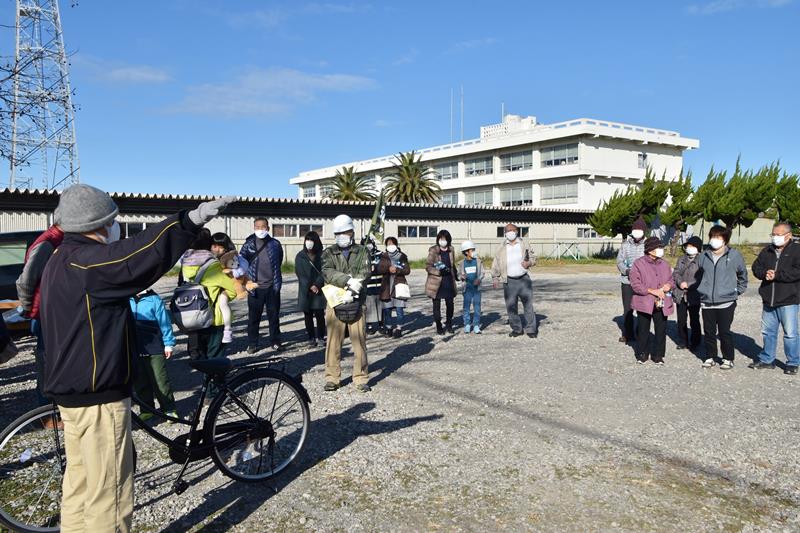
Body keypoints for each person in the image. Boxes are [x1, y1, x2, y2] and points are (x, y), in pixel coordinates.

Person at [39, 183, 233, 532]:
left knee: (80, 487)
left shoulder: (58, 261)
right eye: (112, 220)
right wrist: (188, 221)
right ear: (98, 224)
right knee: (109, 499)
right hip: (98, 396)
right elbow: (138, 256)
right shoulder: (88, 263)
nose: (115, 228)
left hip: (70, 393)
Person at [15, 222, 64, 409]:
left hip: (52, 311)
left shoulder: (57, 239)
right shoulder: (48, 243)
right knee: (47, 361)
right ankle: (45, 410)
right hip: (46, 313)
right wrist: (28, 308)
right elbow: (25, 280)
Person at [321, 214, 371, 392]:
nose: (342, 235)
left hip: (357, 302)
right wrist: (347, 282)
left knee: (359, 342)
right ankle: (332, 377)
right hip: (335, 303)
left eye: (345, 232)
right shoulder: (328, 252)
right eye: (338, 232)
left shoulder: (363, 251)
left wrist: (355, 288)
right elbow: (327, 271)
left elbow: (365, 272)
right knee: (333, 342)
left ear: (352, 231)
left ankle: (360, 377)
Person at [750, 222, 800, 374]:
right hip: (768, 298)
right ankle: (767, 359)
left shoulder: (797, 251)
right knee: (768, 332)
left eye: (778, 235)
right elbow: (755, 267)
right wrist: (764, 273)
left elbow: (797, 272)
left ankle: (792, 362)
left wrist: (777, 275)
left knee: (790, 333)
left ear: (788, 235)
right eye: (773, 234)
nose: (775, 238)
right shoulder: (767, 250)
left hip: (788, 299)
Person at [180, 230, 237, 362]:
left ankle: (207, 381)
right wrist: (224, 294)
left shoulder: (186, 263)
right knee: (215, 357)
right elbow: (233, 290)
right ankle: (215, 382)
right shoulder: (213, 266)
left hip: (194, 317)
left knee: (202, 357)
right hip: (213, 318)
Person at [696, 225, 748, 370]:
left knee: (724, 331)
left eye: (718, 237)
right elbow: (698, 275)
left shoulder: (734, 255)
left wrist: (737, 291)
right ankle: (710, 356)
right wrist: (702, 290)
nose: (715, 240)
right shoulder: (704, 256)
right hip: (707, 302)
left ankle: (728, 358)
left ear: (725, 240)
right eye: (713, 237)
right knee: (709, 331)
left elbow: (743, 275)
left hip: (726, 302)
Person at [129, 288, 178, 421]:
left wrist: (168, 343)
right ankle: (146, 409)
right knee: (140, 380)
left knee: (160, 380)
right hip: (135, 347)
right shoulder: (127, 299)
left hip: (155, 347)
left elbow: (165, 323)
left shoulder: (154, 300)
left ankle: (169, 409)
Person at [239, 217, 284, 354]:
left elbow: (279, 260)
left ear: (268, 228)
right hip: (254, 288)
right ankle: (252, 343)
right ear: (254, 228)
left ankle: (275, 341)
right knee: (253, 318)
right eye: (257, 227)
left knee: (274, 317)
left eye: (263, 227)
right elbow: (241, 263)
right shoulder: (248, 244)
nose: (260, 229)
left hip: (272, 286)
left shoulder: (275, 244)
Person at [629, 237, 674, 365]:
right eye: (658, 247)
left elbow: (672, 279)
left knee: (661, 329)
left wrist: (668, 286)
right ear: (650, 250)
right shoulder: (638, 263)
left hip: (662, 302)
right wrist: (651, 291)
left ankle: (658, 355)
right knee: (643, 329)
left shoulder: (665, 264)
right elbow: (635, 284)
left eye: (661, 247)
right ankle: (642, 353)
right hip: (645, 301)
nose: (661, 250)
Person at [492, 224, 538, 338]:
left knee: (528, 306)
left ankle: (531, 329)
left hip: (524, 280)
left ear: (517, 231)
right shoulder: (501, 247)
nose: (510, 232)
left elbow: (533, 258)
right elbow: (496, 263)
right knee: (511, 307)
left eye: (512, 230)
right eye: (507, 231)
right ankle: (517, 329)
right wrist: (495, 277)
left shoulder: (524, 244)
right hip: (509, 281)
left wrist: (529, 263)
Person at [616, 216, 648, 343]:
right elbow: (619, 261)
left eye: (639, 229)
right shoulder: (625, 245)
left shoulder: (648, 245)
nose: (637, 232)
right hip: (627, 282)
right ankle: (628, 334)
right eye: (635, 229)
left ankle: (641, 333)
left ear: (644, 231)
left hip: (643, 283)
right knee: (628, 309)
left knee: (642, 309)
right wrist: (627, 271)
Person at [209, 232, 244, 343]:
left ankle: (227, 329)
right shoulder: (210, 257)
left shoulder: (232, 256)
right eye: (214, 246)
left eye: (221, 247)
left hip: (230, 284)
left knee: (223, 303)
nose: (217, 249)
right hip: (218, 284)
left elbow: (241, 268)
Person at [294, 231, 327, 347]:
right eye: (307, 240)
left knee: (319, 314)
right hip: (305, 290)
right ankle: (311, 337)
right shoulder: (300, 256)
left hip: (318, 290)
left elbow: (325, 272)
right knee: (307, 314)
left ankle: (321, 336)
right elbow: (299, 273)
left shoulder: (323, 256)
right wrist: (309, 285)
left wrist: (317, 284)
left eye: (311, 240)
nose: (309, 243)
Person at [672, 236, 704, 351]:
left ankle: (696, 341)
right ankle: (683, 341)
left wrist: (689, 284)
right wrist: (680, 283)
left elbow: (702, 278)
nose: (689, 248)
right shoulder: (681, 259)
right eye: (688, 246)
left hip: (694, 294)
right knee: (681, 319)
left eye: (692, 246)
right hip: (680, 293)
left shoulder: (702, 260)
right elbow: (676, 273)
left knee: (694, 318)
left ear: (698, 248)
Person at [376, 236, 411, 338]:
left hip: (398, 285)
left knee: (400, 310)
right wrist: (388, 269)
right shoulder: (384, 256)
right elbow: (379, 269)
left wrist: (397, 270)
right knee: (387, 310)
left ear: (396, 244)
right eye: (388, 244)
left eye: (392, 243)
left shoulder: (402, 256)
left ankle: (399, 328)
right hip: (387, 286)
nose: (390, 245)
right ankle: (389, 328)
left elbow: (407, 270)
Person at [425, 229, 458, 335]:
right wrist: (438, 271)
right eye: (441, 239)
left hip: (448, 280)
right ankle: (439, 325)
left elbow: (452, 265)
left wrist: (457, 276)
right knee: (436, 305)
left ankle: (449, 323)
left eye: (445, 239)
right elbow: (428, 266)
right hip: (436, 282)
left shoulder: (451, 250)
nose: (442, 241)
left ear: (448, 240)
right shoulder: (433, 250)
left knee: (450, 304)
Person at [457, 240, 485, 334]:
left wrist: (479, 279)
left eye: (473, 250)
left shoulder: (478, 261)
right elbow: (458, 274)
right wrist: (461, 276)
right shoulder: (461, 263)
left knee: (477, 307)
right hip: (467, 289)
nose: (473, 251)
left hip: (477, 289)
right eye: (471, 250)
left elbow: (482, 273)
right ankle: (467, 324)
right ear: (466, 252)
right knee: (466, 307)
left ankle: (476, 325)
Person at [363, 238, 384, 334]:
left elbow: (384, 266)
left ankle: (381, 324)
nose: (368, 245)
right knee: (369, 306)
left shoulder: (380, 254)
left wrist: (376, 268)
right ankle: (369, 325)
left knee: (381, 306)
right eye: (366, 244)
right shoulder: (361, 256)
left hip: (380, 284)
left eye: (370, 243)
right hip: (368, 285)